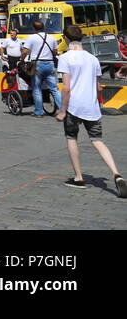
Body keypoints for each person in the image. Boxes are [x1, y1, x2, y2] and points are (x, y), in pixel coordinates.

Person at [53, 24, 126, 195]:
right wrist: (97, 103)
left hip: (73, 106)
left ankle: (79, 177)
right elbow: (98, 86)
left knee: (71, 138)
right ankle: (116, 174)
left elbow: (66, 88)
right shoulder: (93, 58)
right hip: (91, 106)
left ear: (66, 39)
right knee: (97, 140)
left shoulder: (66, 58)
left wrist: (62, 110)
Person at [23, 18, 62, 118]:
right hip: (50, 64)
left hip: (37, 64)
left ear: (33, 28)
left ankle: (39, 112)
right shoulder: (51, 38)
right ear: (44, 28)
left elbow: (25, 51)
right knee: (54, 89)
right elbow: (55, 52)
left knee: (37, 89)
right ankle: (63, 111)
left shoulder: (31, 38)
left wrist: (21, 59)